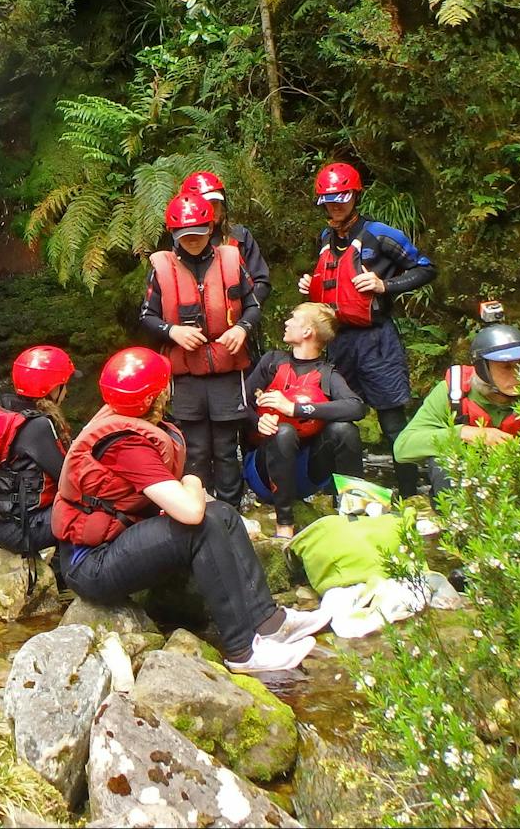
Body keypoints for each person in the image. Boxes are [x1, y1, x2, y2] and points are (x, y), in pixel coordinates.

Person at [55, 346, 332, 673]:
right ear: (154, 397)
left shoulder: (126, 419)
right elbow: (190, 512)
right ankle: (242, 651)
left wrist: (234, 520)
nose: (169, 388)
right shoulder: (124, 444)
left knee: (224, 515)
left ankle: (270, 621)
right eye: (164, 384)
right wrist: (192, 480)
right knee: (202, 526)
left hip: (110, 546)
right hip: (90, 564)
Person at [297, 162, 436, 497]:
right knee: (338, 420)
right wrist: (309, 284)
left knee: (391, 422)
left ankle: (408, 493)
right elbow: (327, 280)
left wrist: (384, 285)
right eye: (328, 201)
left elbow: (426, 269)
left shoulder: (381, 235)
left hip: (376, 340)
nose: (334, 206)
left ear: (355, 197)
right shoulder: (324, 238)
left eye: (340, 200)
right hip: (338, 339)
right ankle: (346, 495)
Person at [140, 192, 260, 505]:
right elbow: (147, 317)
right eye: (184, 236)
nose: (191, 241)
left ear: (210, 228)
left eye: (197, 234)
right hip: (185, 373)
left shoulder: (231, 259)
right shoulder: (161, 267)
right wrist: (172, 331)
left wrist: (241, 328)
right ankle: (198, 508)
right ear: (173, 235)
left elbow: (252, 305)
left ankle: (231, 508)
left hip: (226, 368)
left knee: (224, 444)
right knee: (193, 446)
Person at [243, 302, 367, 541]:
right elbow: (238, 402)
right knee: (284, 431)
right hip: (264, 473)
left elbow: (356, 406)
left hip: (306, 475)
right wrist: (256, 420)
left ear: (308, 331)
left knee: (345, 430)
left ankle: (354, 513)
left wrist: (295, 408)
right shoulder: (272, 361)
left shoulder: (327, 374)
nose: (286, 322)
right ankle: (284, 526)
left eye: (293, 318)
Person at [393, 321, 520, 496]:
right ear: (482, 368)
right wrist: (465, 433)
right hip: (468, 486)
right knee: (442, 461)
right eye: (506, 367)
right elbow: (403, 448)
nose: (518, 374)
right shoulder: (453, 392)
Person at [0, 345, 75, 555]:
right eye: (64, 385)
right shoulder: (38, 426)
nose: (68, 391)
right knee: (93, 512)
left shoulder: (3, 413)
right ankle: (72, 570)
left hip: (3, 526)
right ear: (53, 389)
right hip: (25, 530)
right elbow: (68, 477)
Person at [179, 171, 272, 310]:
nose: (212, 209)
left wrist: (244, 317)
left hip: (238, 322)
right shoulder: (184, 240)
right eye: (206, 203)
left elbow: (261, 281)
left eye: (215, 203)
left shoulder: (239, 236)